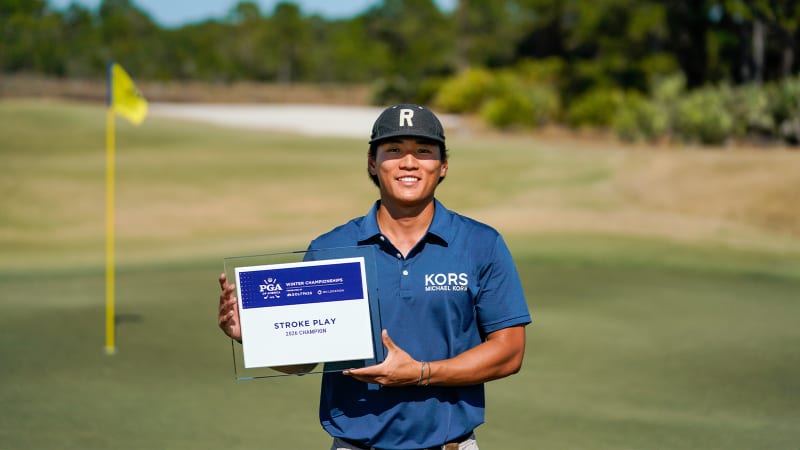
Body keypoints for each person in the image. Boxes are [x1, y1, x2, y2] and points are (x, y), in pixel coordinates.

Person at [218, 104, 531, 450]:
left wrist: (421, 372)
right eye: (394, 150)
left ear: (443, 165)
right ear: (372, 162)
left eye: (423, 151)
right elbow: (303, 360)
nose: (409, 162)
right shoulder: (331, 249)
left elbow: (509, 351)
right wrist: (255, 336)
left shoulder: (480, 243)